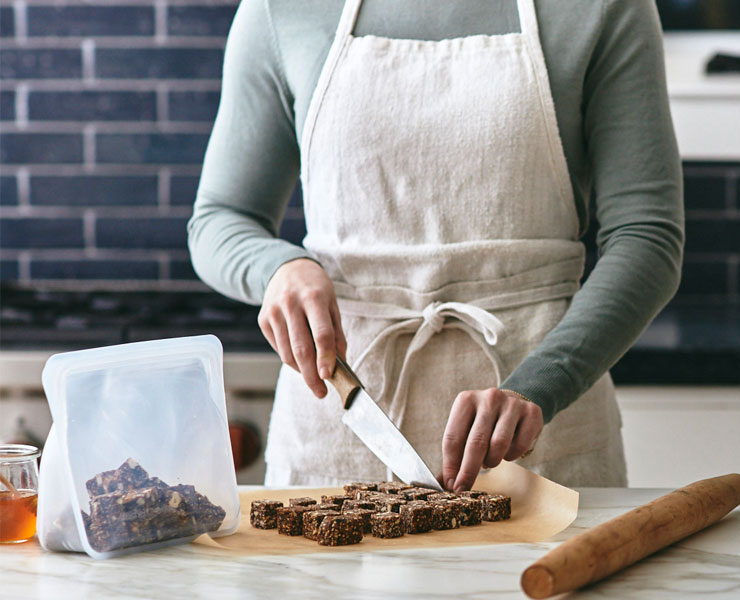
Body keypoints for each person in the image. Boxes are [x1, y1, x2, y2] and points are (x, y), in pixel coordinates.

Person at [188, 0, 684, 490]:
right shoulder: (281, 10)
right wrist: (280, 268)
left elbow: (646, 236)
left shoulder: (605, 8)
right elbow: (221, 218)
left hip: (540, 437)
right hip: (338, 438)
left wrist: (538, 387)